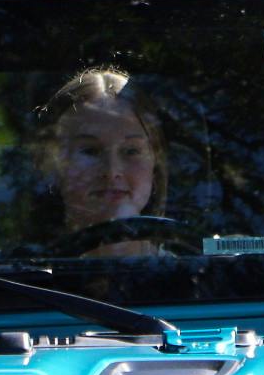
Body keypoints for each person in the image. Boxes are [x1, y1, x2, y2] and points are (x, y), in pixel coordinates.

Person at [33, 67, 168, 258]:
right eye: (90, 151)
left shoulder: (198, 278)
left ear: (155, 164)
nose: (112, 172)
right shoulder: (11, 278)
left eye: (131, 151)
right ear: (54, 165)